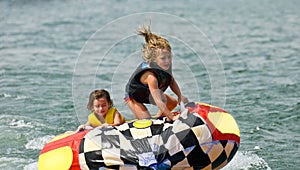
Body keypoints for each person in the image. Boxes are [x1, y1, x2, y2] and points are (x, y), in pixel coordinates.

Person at [125, 25, 187, 121]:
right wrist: (172, 117)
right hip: (134, 97)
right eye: (163, 58)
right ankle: (152, 119)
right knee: (147, 120)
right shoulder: (151, 77)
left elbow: (172, 81)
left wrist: (179, 96)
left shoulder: (165, 66)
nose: (167, 61)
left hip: (148, 93)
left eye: (169, 57)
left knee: (172, 103)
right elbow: (158, 101)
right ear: (154, 60)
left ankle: (159, 119)